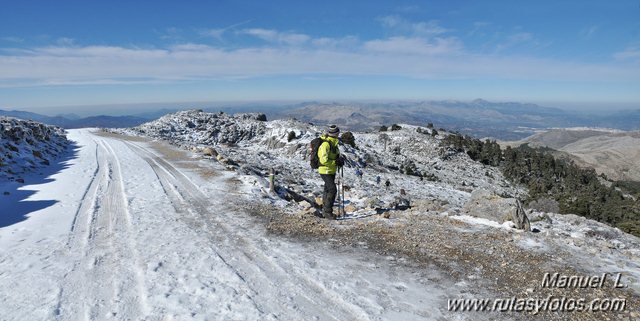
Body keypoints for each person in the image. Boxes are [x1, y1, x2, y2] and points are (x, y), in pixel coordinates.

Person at [318, 125, 343, 219]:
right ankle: (328, 212)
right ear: (336, 133)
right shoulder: (326, 144)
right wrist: (335, 162)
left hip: (331, 170)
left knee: (327, 189)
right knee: (333, 189)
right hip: (325, 170)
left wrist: (339, 160)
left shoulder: (334, 143)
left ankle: (325, 210)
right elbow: (323, 160)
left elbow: (334, 157)